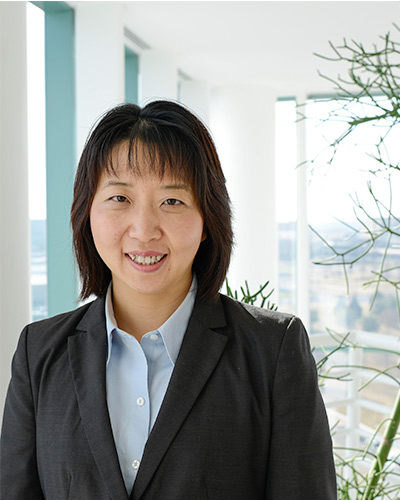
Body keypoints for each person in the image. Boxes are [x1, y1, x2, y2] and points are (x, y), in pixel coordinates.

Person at [0, 100, 337, 500]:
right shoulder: (38, 354)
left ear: (208, 219)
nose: (144, 231)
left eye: (172, 201)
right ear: (86, 213)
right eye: (120, 199)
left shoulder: (273, 352)